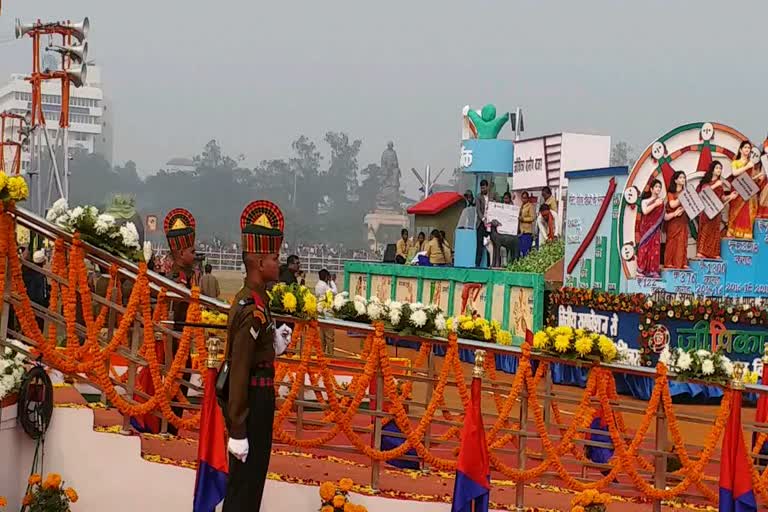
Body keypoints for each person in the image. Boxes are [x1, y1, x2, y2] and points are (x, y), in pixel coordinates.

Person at [224, 200, 292, 512]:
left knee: (253, 487)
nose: (279, 264)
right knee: (244, 489)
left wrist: (274, 345)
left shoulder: (259, 302)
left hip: (261, 399)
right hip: (251, 401)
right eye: (275, 258)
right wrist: (237, 428)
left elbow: (255, 354)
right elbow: (238, 369)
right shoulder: (250, 308)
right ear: (259, 262)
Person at [163, 208, 197, 436]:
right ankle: (170, 427)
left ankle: (172, 426)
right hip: (176, 339)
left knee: (182, 380)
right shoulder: (177, 279)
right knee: (176, 381)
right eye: (192, 251)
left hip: (183, 338)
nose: (195, 255)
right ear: (180, 253)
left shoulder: (186, 275)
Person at [697, 161, 737, 259]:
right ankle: (701, 252)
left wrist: (731, 196)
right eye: (717, 168)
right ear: (712, 170)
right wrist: (716, 185)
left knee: (715, 231)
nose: (719, 170)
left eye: (720, 168)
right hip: (707, 211)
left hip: (717, 212)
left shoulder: (720, 184)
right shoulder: (707, 182)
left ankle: (713, 253)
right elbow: (703, 192)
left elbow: (722, 198)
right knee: (706, 230)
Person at [727, 140, 761, 239]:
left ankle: (746, 234)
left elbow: (750, 178)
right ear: (740, 150)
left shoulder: (751, 163)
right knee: (736, 212)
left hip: (748, 190)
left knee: (747, 212)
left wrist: (759, 175)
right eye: (745, 147)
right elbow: (734, 173)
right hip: (738, 189)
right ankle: (733, 231)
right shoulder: (736, 162)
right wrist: (747, 167)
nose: (747, 149)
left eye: (749, 148)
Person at [636, 180, 665, 277]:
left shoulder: (661, 202)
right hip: (646, 229)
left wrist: (675, 213)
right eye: (656, 186)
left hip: (655, 229)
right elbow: (645, 211)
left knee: (654, 249)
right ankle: (640, 270)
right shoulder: (645, 201)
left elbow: (663, 216)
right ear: (652, 189)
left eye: (659, 187)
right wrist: (655, 204)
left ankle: (652, 271)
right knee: (644, 248)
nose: (658, 189)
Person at [663, 171, 689, 269]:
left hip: (682, 220)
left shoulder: (687, 193)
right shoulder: (671, 193)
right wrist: (683, 196)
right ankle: (669, 262)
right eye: (681, 177)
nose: (683, 179)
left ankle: (681, 263)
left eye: (684, 177)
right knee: (672, 241)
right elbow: (672, 204)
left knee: (682, 241)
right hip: (673, 221)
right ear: (675, 180)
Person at [490, 192, 520, 267]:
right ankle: (496, 264)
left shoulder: (513, 209)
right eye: (504, 198)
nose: (505, 200)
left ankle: (513, 264)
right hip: (500, 233)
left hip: (510, 234)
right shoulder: (501, 207)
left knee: (512, 251)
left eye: (506, 198)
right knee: (497, 249)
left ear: (510, 199)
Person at [23, 249, 49, 332]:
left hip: (27, 303)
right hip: (39, 305)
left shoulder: (26, 272)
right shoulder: (41, 275)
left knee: (28, 327)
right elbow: (43, 294)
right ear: (43, 262)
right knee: (38, 329)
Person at [315, 269, 335, 355]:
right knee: (329, 337)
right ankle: (330, 356)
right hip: (327, 313)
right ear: (327, 277)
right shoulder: (324, 286)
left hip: (320, 311)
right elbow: (335, 291)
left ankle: (321, 355)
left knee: (322, 336)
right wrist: (332, 281)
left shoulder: (318, 285)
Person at [475, 179, 492, 266]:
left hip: (490, 224)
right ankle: (477, 264)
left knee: (490, 244)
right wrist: (483, 219)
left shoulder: (492, 196)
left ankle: (490, 264)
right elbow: (478, 210)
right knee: (479, 245)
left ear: (487, 187)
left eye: (484, 188)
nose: (483, 190)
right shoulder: (478, 197)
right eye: (481, 188)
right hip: (481, 224)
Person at [519, 190, 535, 256]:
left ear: (528, 198)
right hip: (521, 231)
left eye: (525, 198)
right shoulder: (521, 206)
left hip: (527, 231)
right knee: (521, 250)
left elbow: (533, 218)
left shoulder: (530, 206)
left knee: (526, 250)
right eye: (522, 198)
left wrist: (523, 219)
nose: (523, 199)